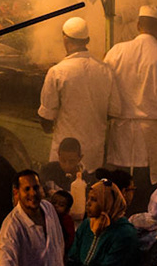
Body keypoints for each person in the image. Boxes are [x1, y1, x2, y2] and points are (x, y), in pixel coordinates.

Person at [106, 4, 157, 190]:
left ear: (137, 25)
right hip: (150, 137)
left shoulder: (116, 52)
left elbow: (105, 89)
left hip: (120, 135)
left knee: (119, 193)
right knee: (146, 192)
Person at [39, 16, 122, 185]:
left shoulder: (57, 71)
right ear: (88, 40)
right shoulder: (105, 70)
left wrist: (49, 128)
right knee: (89, 198)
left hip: (65, 159)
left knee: (62, 197)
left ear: (65, 39)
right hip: (93, 155)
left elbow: (46, 117)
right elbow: (114, 111)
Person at [0, 169, 67, 266]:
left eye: (36, 188)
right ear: (16, 192)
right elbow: (5, 263)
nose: (33, 193)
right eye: (27, 189)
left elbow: (58, 248)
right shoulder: (12, 226)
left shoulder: (49, 209)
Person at [69, 179, 139, 266]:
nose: (88, 203)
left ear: (107, 203)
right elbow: (74, 257)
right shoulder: (87, 225)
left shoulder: (124, 234)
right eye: (88, 198)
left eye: (94, 200)